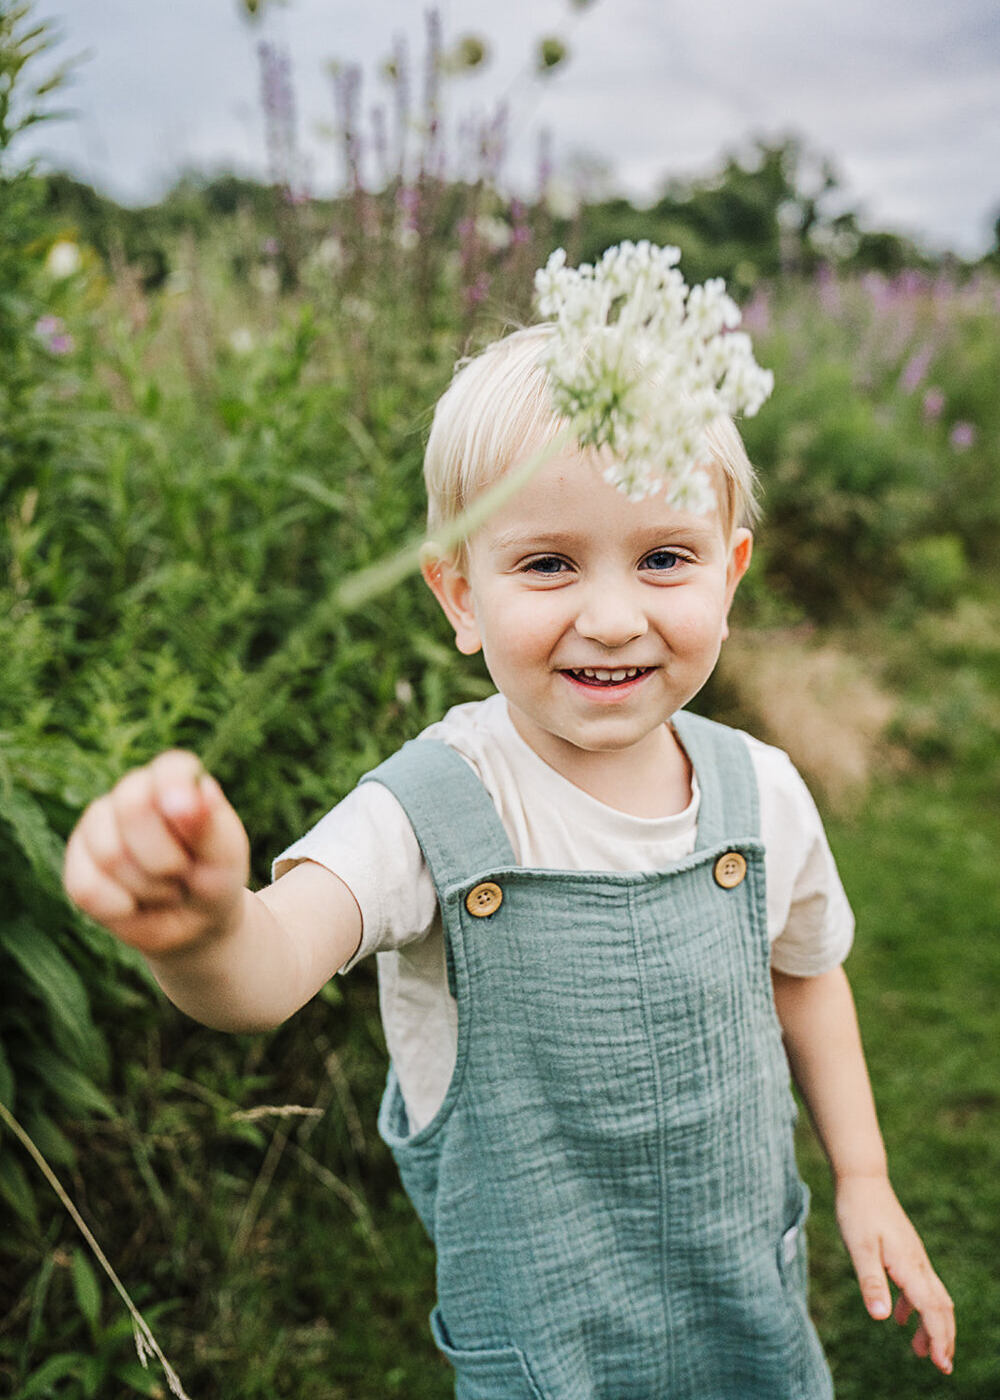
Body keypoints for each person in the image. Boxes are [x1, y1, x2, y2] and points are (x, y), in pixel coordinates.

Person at [64, 323, 954, 1398]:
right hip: (546, 1355)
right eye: (546, 564)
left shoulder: (758, 792)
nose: (614, 617)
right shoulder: (431, 804)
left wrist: (862, 1176)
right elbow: (269, 969)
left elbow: (807, 976)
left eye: (664, 557)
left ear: (730, 571)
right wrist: (206, 927)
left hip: (742, 1315)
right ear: (458, 595)